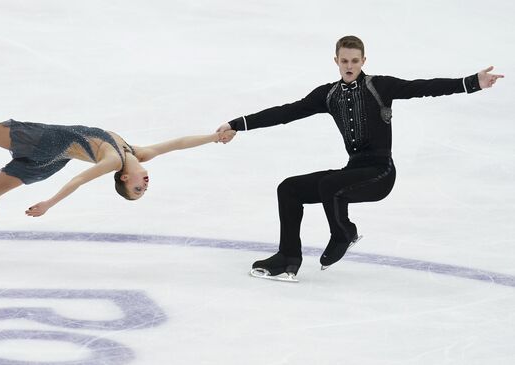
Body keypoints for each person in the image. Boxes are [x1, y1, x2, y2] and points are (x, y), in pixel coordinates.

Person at [216, 35, 503, 282]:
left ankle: (344, 233)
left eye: (355, 61)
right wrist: (237, 124)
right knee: (289, 188)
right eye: (344, 61)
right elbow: (285, 112)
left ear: (363, 61)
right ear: (336, 61)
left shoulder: (380, 87)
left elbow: (424, 87)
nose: (350, 66)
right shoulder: (327, 95)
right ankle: (287, 256)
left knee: (330, 185)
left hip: (380, 174)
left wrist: (472, 82)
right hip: (353, 171)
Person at [0, 95, 235, 262]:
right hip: (50, 161)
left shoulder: (114, 159)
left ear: (122, 178)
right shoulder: (137, 152)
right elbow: (177, 144)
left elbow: (79, 181)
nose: (144, 185)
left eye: (136, 190)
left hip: (45, 142)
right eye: (143, 188)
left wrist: (49, 203)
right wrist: (212, 137)